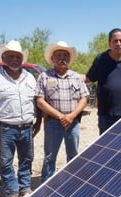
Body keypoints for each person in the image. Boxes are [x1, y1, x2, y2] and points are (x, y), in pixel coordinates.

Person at [0, 40, 41, 197]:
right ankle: (12, 192)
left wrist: (38, 123)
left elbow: (37, 101)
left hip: (27, 127)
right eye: (11, 56)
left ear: (22, 59)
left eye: (18, 56)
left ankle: (25, 188)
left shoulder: (30, 77)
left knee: (27, 159)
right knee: (6, 162)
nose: (14, 59)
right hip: (5, 128)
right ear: (3, 58)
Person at [36, 41, 89, 182]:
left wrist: (71, 116)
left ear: (69, 59)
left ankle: (72, 183)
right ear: (52, 58)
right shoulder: (45, 76)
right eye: (58, 55)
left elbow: (84, 98)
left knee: (73, 155)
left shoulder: (76, 77)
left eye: (65, 55)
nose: (62, 58)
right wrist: (60, 116)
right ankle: (46, 183)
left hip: (73, 123)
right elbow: (40, 101)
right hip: (53, 123)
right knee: (50, 156)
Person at [85, 28, 121, 135]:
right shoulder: (100, 59)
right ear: (109, 43)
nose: (118, 43)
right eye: (115, 41)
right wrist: (70, 76)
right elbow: (88, 78)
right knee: (107, 148)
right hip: (106, 116)